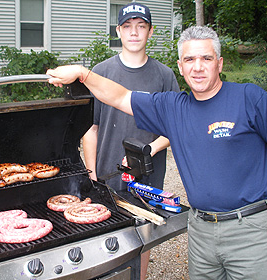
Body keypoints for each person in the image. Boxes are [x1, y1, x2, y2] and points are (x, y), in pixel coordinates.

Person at [47, 26, 267, 280]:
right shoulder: (173, 108)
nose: (198, 66)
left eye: (206, 58)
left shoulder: (249, 98)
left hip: (250, 230)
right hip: (201, 232)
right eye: (189, 59)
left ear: (219, 63)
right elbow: (120, 97)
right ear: (180, 66)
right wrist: (83, 74)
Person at [82, 3, 179, 279]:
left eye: (141, 26)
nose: (134, 32)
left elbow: (175, 127)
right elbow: (91, 128)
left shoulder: (164, 76)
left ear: (150, 31)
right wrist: (92, 174)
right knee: (104, 236)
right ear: (118, 31)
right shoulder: (100, 73)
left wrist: (150, 149)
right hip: (106, 174)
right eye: (127, 26)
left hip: (147, 176)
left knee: (142, 236)